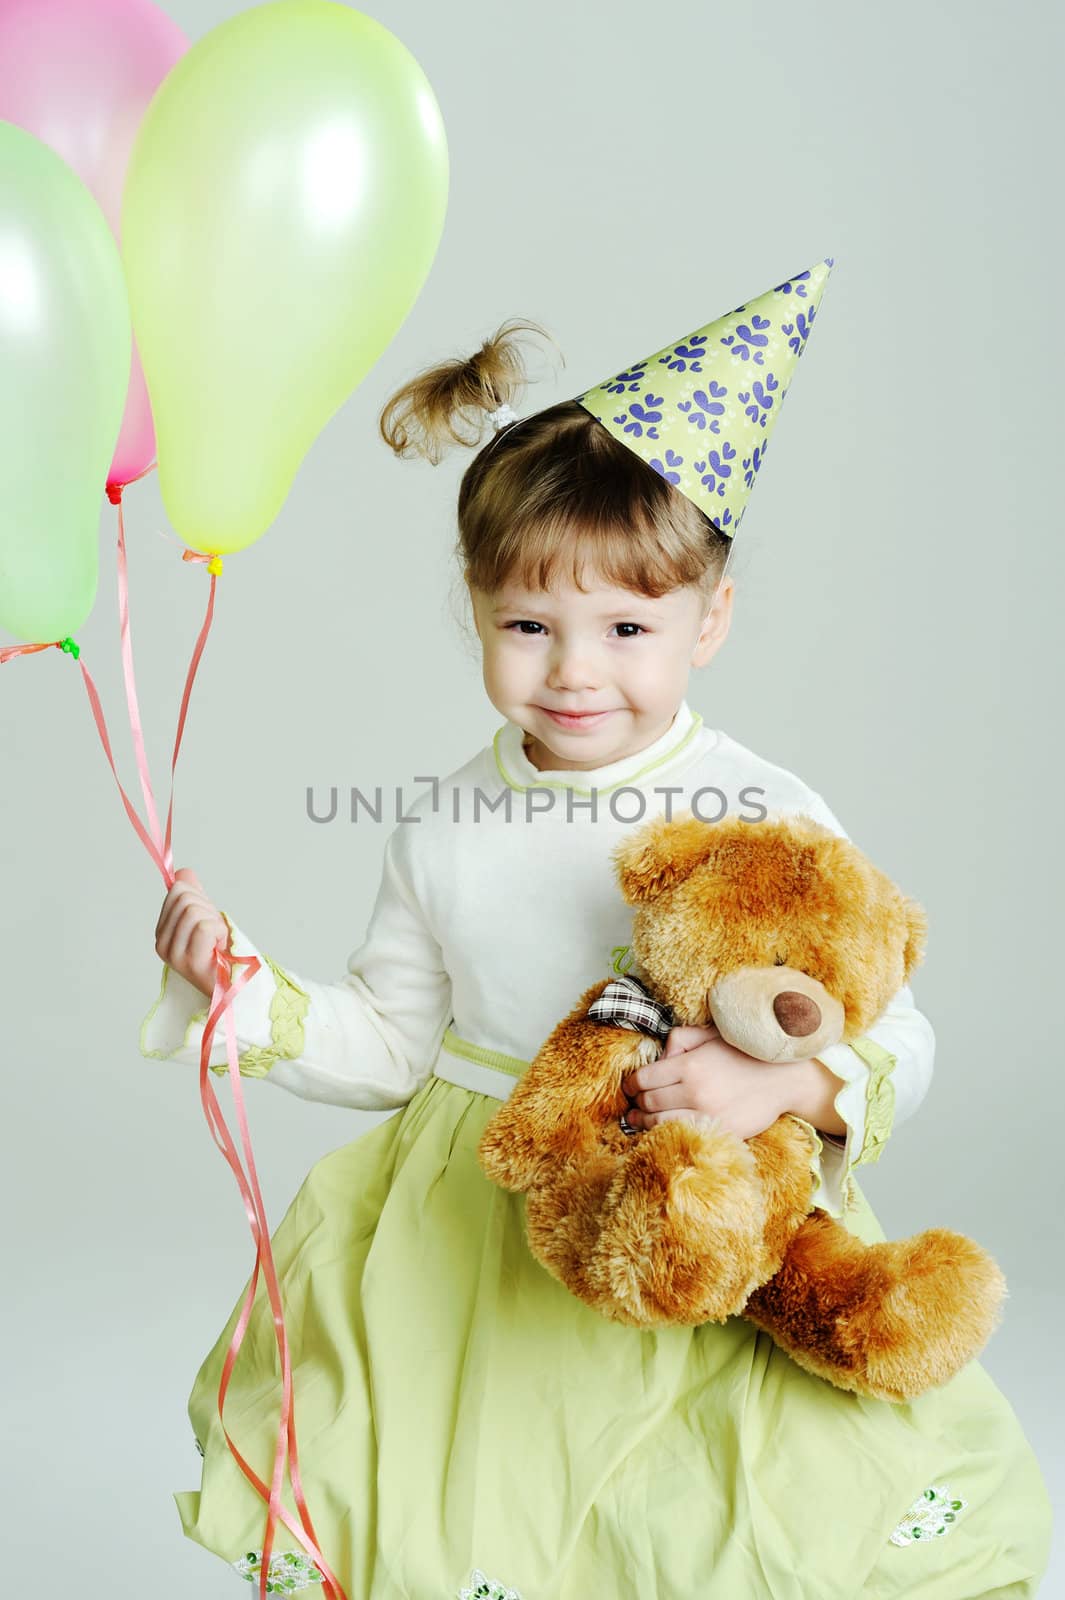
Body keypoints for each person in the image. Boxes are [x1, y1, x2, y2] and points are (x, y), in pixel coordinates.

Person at [141, 263, 1052, 1599]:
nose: (574, 669)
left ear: (708, 621)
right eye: (529, 626)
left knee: (710, 1516)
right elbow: (394, 1045)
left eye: (627, 627)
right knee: (495, 1514)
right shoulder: (444, 821)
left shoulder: (761, 813)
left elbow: (896, 1030)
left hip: (704, 1195)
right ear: (476, 612)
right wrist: (248, 996)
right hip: (492, 1224)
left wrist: (790, 1080)